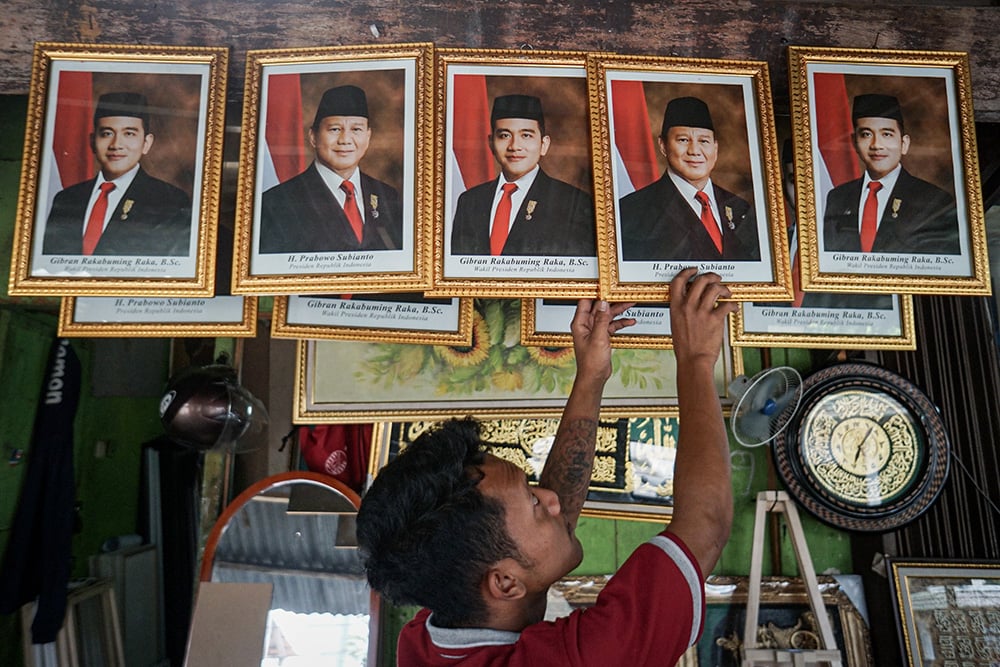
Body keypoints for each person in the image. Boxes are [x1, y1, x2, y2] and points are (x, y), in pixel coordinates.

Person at [357, 268, 736, 666]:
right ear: (504, 583)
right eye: (536, 504)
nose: (552, 500)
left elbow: (545, 535)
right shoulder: (584, 659)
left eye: (532, 491)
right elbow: (705, 525)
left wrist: (591, 375)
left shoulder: (434, 629)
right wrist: (695, 357)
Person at [42, 91, 192, 256]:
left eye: (129, 134)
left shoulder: (170, 201)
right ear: (93, 142)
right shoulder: (66, 199)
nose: (116, 145)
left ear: (146, 143)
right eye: (107, 133)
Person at [258, 84, 403, 254]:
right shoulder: (276, 203)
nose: (345, 140)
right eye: (335, 129)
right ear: (313, 137)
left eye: (356, 129)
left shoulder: (387, 196)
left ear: (368, 136)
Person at [450, 94, 596, 257]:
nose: (514, 146)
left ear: (544, 144)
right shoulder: (470, 201)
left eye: (526, 135)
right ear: (491, 143)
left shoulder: (572, 204)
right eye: (504, 135)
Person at [619, 96, 761, 262]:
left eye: (704, 141)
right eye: (683, 140)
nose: (694, 150)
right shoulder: (632, 211)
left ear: (715, 149)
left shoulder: (741, 209)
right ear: (663, 145)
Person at [823, 93, 960, 255]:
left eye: (886, 134)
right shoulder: (838, 197)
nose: (876, 145)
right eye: (866, 134)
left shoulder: (935, 201)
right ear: (854, 143)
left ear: (904, 143)